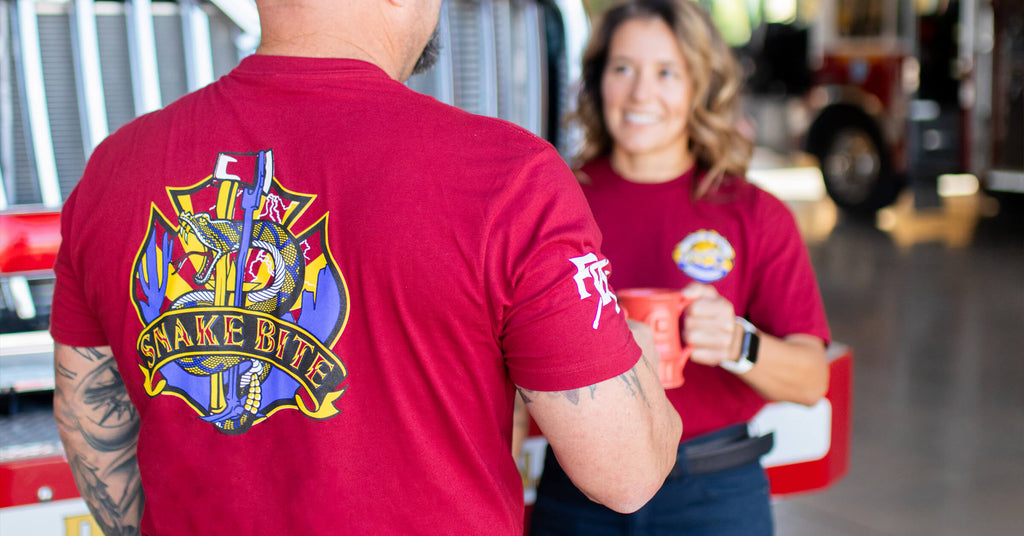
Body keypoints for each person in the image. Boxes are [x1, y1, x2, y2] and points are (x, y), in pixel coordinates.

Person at [50, 1, 682, 534]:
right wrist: (639, 363)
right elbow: (626, 473)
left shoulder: (115, 170)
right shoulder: (506, 176)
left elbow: (91, 425)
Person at [528, 1, 831, 535]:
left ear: (701, 86)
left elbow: (811, 379)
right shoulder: (552, 203)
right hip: (578, 488)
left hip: (715, 494)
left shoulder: (754, 214)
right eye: (623, 68)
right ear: (598, 81)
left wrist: (740, 344)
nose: (641, 93)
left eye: (667, 72)